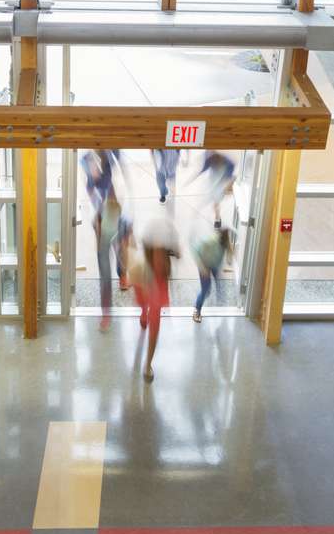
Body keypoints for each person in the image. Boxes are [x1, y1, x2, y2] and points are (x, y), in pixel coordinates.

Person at [133, 217, 179, 383]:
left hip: (156, 289)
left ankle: (148, 364)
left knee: (154, 324)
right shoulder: (146, 260)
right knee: (145, 307)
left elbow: (178, 254)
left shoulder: (159, 249)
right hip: (148, 283)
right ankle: (144, 314)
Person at [82, 150, 123, 329]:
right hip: (102, 223)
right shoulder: (90, 176)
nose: (94, 170)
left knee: (120, 253)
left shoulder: (108, 163)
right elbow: (93, 195)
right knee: (104, 273)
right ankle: (106, 313)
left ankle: (123, 273)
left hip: (114, 216)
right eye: (91, 168)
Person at [190, 225, 234, 322]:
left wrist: (230, 249)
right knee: (206, 290)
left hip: (214, 265)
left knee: (219, 283)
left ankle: (220, 300)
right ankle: (196, 311)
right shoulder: (210, 241)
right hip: (204, 265)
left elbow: (229, 261)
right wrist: (202, 267)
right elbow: (195, 250)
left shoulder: (225, 242)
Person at [196, 150, 237, 227]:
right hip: (215, 179)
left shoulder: (227, 163)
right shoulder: (210, 159)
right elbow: (204, 168)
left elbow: (230, 173)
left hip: (223, 180)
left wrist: (229, 183)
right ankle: (217, 218)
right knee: (215, 200)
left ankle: (217, 218)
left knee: (216, 200)